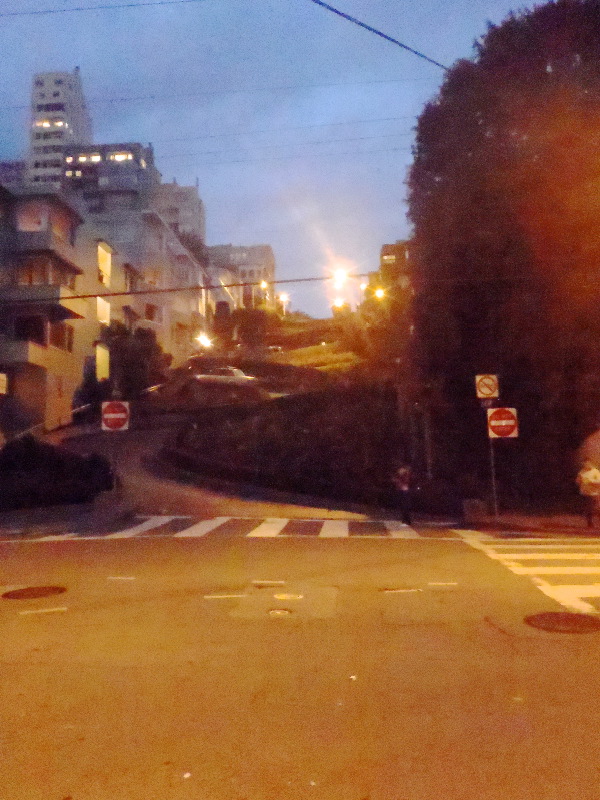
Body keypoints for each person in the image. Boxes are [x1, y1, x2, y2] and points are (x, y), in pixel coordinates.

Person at [576, 460, 600, 528]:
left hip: (594, 493)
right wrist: (579, 480)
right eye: (585, 464)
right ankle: (590, 523)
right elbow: (578, 481)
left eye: (588, 463)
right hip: (585, 493)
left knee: (597, 508)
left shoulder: (595, 471)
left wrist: (591, 481)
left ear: (591, 463)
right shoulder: (582, 472)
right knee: (588, 509)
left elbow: (599, 482)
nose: (586, 465)